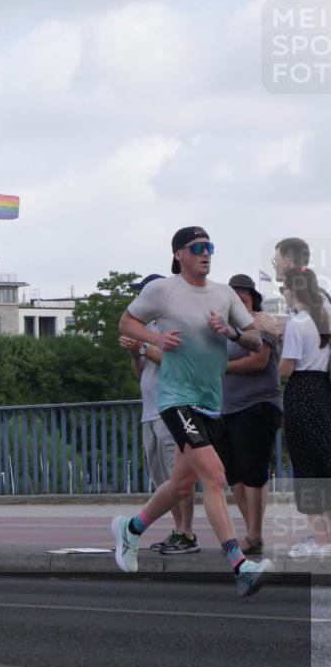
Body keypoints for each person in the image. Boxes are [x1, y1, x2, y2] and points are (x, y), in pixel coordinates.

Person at [113, 226, 275, 598]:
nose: (206, 253)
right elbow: (127, 322)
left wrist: (231, 332)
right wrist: (157, 339)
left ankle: (131, 529)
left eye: (210, 247)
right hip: (175, 398)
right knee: (215, 478)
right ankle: (239, 565)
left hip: (210, 402)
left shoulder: (224, 294)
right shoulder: (163, 290)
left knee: (182, 483)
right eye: (197, 248)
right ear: (179, 255)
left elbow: (255, 340)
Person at [120, 274, 197, 554]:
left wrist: (141, 346)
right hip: (150, 411)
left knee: (178, 476)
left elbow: (173, 362)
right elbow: (142, 373)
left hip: (172, 410)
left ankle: (187, 532)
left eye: (142, 294)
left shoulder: (176, 325)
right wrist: (134, 353)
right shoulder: (148, 327)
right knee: (161, 478)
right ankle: (178, 531)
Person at [215, 275, 282, 555]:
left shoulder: (259, 323)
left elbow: (258, 361)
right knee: (235, 475)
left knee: (253, 470)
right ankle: (252, 532)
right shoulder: (224, 329)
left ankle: (255, 534)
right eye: (234, 294)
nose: (239, 298)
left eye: (244, 294)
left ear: (252, 299)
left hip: (256, 405)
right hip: (225, 409)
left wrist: (222, 367)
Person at [278, 266, 331, 559]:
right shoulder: (324, 316)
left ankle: (321, 539)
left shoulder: (297, 323)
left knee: (307, 463)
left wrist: (279, 346)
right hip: (323, 388)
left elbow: (286, 369)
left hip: (301, 391)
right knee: (324, 457)